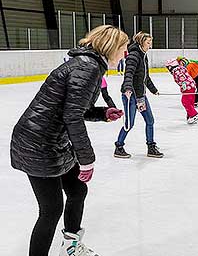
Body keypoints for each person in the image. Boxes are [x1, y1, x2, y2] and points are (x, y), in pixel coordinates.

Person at [10, 25, 127, 256]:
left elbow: (72, 109)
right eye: (123, 48)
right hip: (38, 143)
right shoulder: (88, 67)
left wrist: (101, 113)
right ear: (111, 46)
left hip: (52, 141)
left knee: (76, 191)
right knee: (51, 209)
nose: (125, 54)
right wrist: (87, 160)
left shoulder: (88, 64)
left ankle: (70, 245)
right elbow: (72, 116)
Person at [114, 31, 163, 159]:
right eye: (148, 42)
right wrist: (128, 88)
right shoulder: (134, 56)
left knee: (150, 121)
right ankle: (119, 146)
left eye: (151, 42)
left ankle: (151, 147)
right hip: (130, 95)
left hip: (141, 96)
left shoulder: (143, 56)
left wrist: (153, 90)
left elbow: (145, 77)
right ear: (141, 42)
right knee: (129, 124)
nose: (150, 45)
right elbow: (128, 74)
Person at [166, 59, 198, 124]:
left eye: (168, 67)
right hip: (192, 86)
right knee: (190, 102)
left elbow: (181, 77)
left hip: (187, 87)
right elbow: (188, 76)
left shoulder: (176, 70)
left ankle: (194, 115)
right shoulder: (181, 68)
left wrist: (183, 84)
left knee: (185, 101)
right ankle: (190, 117)